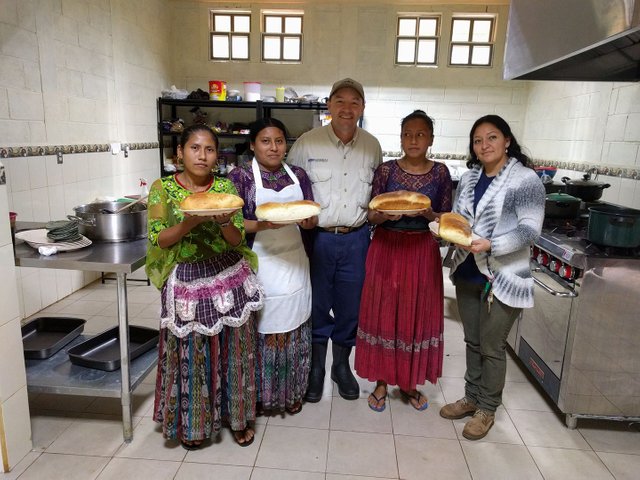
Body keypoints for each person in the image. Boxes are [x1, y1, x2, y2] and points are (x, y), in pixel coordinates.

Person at [145, 124, 264, 449]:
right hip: (186, 279)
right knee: (192, 354)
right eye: (194, 148)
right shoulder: (162, 189)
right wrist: (190, 221)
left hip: (228, 274)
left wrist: (224, 220)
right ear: (179, 153)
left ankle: (238, 419)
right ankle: (195, 424)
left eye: (209, 149)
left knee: (235, 351)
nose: (202, 155)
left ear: (217, 155)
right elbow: (159, 237)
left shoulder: (225, 187)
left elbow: (237, 238)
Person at [439, 115, 545, 440]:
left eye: (492, 138)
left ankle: (487, 408)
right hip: (469, 270)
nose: (484, 145)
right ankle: (471, 397)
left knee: (492, 345)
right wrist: (444, 232)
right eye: (478, 140)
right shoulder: (471, 178)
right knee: (472, 340)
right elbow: (459, 220)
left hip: (505, 275)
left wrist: (492, 244)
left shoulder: (525, 180)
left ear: (507, 140)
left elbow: (530, 231)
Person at [287, 78, 382, 401]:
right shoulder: (306, 144)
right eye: (340, 101)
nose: (346, 108)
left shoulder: (372, 146)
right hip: (317, 239)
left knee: (350, 307)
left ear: (362, 108)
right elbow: (291, 190)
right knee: (316, 305)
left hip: (357, 240)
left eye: (354, 102)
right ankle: (316, 369)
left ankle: (342, 367)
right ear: (328, 105)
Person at [355, 110, 452, 412]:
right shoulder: (386, 171)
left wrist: (428, 215)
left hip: (421, 251)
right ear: (400, 138)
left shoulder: (440, 173)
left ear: (431, 139)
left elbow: (445, 219)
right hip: (386, 247)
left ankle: (409, 382)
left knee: (415, 314)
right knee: (384, 312)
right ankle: (382, 381)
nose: (413, 139)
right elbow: (371, 214)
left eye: (420, 134)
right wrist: (385, 215)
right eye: (407, 134)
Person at [228, 118, 317, 416]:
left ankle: (292, 392)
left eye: (279, 141)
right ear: (253, 144)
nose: (274, 147)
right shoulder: (240, 177)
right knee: (262, 331)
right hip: (259, 263)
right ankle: (260, 396)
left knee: (294, 328)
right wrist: (265, 223)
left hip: (294, 261)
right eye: (265, 141)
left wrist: (308, 220)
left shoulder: (299, 175)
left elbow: (310, 215)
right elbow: (234, 224)